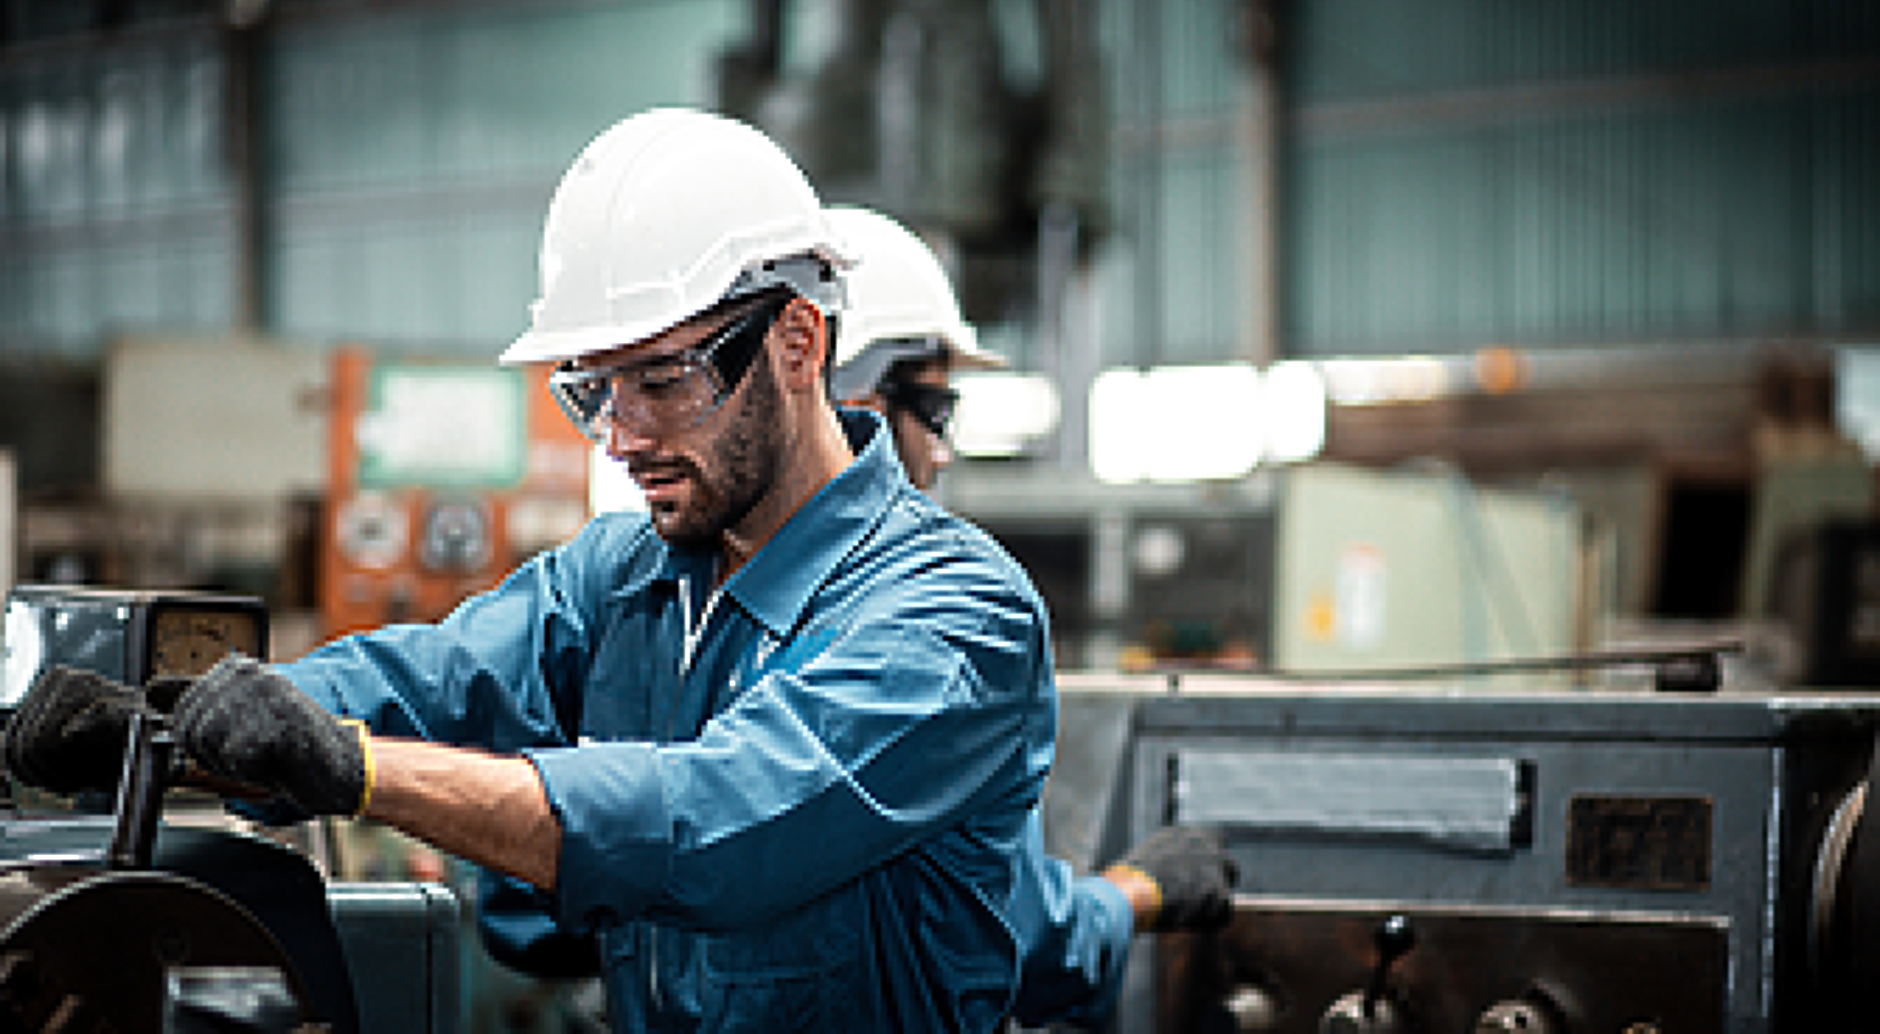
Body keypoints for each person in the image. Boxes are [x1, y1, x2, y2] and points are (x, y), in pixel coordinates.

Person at [0, 107, 1218, 1033]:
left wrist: (356, 771)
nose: (621, 435)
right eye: (591, 389)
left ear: (796, 340)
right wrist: (170, 728)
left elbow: (713, 820)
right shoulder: (627, 573)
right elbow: (428, 674)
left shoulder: (952, 616)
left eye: (659, 379)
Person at [825, 204, 1241, 1028]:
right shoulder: (927, 634)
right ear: (858, 399)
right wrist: (1135, 893)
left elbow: (532, 908)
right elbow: (1009, 944)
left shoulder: (666, 608)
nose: (941, 454)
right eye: (934, 411)